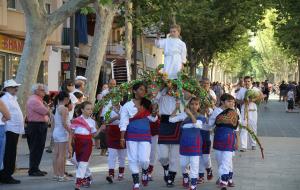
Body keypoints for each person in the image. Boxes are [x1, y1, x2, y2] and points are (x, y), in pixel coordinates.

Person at [119, 82, 158, 190]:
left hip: (145, 134)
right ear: (134, 91)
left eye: (144, 90)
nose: (143, 91)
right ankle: (136, 182)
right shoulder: (127, 105)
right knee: (132, 158)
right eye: (140, 89)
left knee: (144, 159)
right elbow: (123, 122)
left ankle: (145, 170)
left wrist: (154, 112)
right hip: (131, 135)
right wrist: (122, 137)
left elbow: (153, 119)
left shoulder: (147, 104)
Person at [169, 97, 204, 190]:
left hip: (195, 144)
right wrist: (176, 109)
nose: (194, 106)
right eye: (192, 104)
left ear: (199, 106)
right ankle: (185, 175)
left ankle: (193, 185)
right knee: (183, 164)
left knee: (194, 164)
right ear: (189, 105)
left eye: (196, 104)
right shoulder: (183, 115)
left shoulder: (201, 116)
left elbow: (197, 125)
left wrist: (190, 115)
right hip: (184, 143)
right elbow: (171, 119)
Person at [210, 93, 239, 189]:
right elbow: (210, 124)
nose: (232, 103)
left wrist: (237, 141)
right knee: (220, 160)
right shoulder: (216, 111)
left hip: (230, 138)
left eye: (233, 102)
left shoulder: (235, 111)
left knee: (227, 161)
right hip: (218, 138)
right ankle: (223, 177)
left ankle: (225, 180)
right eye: (229, 101)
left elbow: (236, 129)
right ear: (222, 102)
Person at [71, 101, 101, 190]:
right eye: (88, 109)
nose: (90, 111)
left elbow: (94, 135)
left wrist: (100, 129)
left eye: (91, 109)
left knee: (83, 163)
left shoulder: (92, 121)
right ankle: (88, 175)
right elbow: (71, 133)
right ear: (82, 110)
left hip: (87, 143)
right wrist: (69, 144)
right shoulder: (76, 120)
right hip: (77, 143)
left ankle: (78, 182)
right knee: (75, 161)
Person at [155, 87, 181, 187]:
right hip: (164, 123)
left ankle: (171, 177)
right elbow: (154, 100)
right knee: (162, 156)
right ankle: (166, 167)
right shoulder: (161, 94)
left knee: (174, 156)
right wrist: (163, 88)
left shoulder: (179, 95)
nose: (171, 86)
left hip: (176, 123)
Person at [0, 79, 23, 184]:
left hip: (14, 129)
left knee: (11, 153)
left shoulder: (13, 98)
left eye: (16, 87)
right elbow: (4, 115)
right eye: (14, 87)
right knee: (8, 154)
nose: (16, 88)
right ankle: (6, 175)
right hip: (9, 129)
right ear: (8, 88)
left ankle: (7, 174)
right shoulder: (5, 99)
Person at [26, 84, 50, 176]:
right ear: (36, 91)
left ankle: (36, 168)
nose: (44, 91)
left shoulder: (38, 100)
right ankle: (33, 170)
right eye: (42, 90)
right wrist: (47, 108)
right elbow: (46, 111)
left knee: (38, 148)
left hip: (39, 125)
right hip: (36, 126)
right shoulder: (34, 100)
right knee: (36, 148)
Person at [236, 76, 262, 152]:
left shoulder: (255, 89)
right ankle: (244, 146)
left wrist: (253, 99)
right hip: (244, 111)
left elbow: (261, 97)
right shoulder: (242, 90)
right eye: (245, 81)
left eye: (248, 81)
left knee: (253, 128)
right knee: (244, 128)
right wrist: (244, 101)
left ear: (251, 81)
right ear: (243, 82)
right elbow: (237, 100)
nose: (247, 83)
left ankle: (253, 144)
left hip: (253, 111)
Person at [105, 102, 126, 183]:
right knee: (112, 155)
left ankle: (121, 173)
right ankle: (111, 174)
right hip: (112, 132)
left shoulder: (124, 107)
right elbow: (105, 121)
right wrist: (116, 117)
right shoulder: (108, 108)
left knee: (122, 155)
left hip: (122, 131)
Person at [52, 91, 71, 182]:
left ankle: (56, 174)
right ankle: (61, 175)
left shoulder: (56, 107)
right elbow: (64, 123)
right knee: (62, 155)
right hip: (62, 132)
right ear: (66, 99)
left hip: (56, 131)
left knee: (56, 154)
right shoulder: (64, 108)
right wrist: (70, 131)